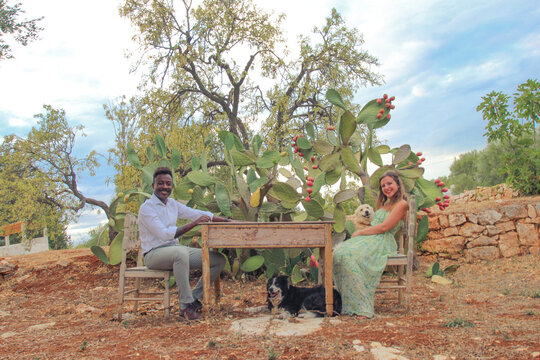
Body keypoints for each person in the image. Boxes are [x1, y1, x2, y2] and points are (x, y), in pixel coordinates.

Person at [138, 166, 231, 320]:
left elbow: (198, 213)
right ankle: (185, 307)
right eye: (160, 183)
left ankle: (194, 298)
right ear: (153, 186)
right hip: (154, 254)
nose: (165, 187)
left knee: (217, 260)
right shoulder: (147, 208)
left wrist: (227, 221)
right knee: (180, 253)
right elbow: (164, 234)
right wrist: (194, 224)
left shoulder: (172, 204)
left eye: (168, 184)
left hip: (174, 250)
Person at [333, 170, 408, 318]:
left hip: (382, 241)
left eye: (390, 184)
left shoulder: (402, 204)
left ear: (398, 184)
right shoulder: (385, 204)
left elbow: (385, 227)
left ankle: (362, 307)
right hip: (372, 237)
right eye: (383, 186)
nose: (386, 187)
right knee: (340, 253)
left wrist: (360, 233)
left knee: (350, 256)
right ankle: (348, 303)